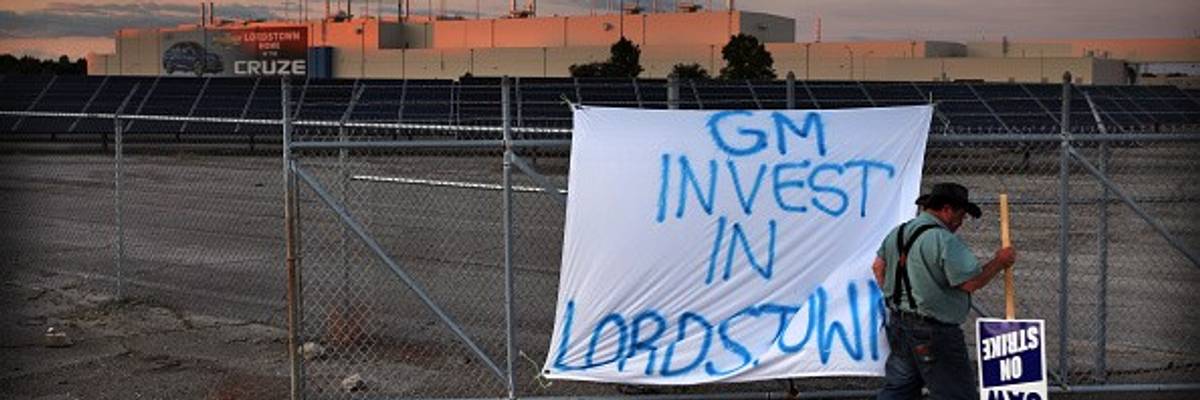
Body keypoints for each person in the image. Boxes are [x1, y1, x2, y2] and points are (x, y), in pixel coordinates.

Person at [872, 182, 1017, 400]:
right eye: (961, 215)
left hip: (900, 323)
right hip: (934, 331)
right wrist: (999, 261)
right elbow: (970, 282)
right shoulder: (943, 239)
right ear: (947, 209)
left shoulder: (898, 233)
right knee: (956, 393)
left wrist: (896, 295)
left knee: (899, 389)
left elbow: (878, 267)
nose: (962, 222)